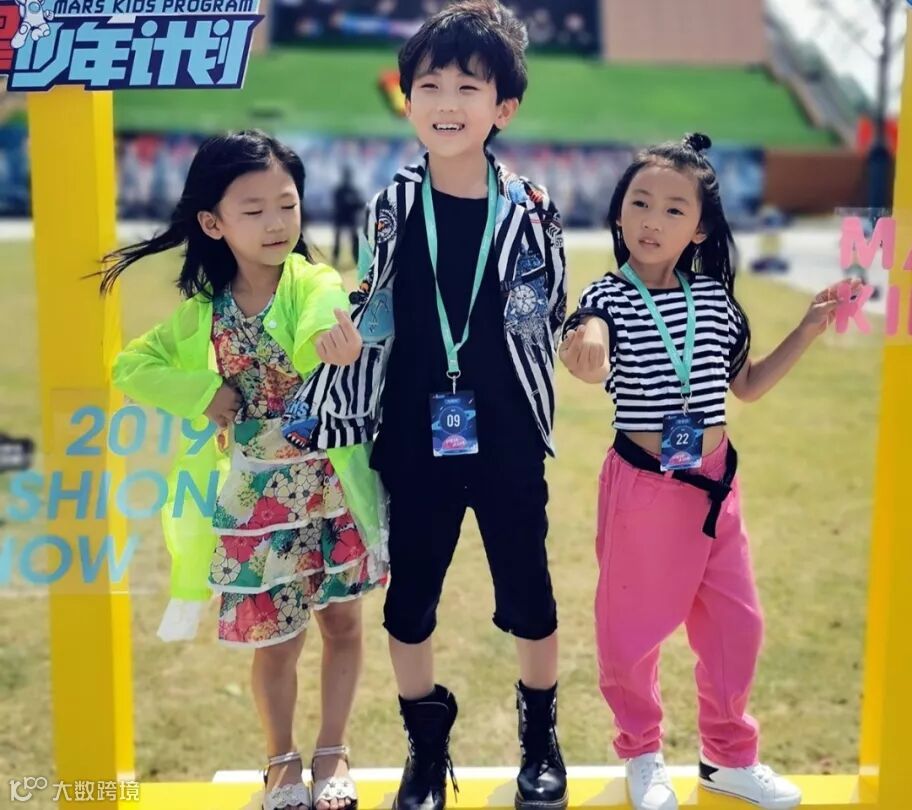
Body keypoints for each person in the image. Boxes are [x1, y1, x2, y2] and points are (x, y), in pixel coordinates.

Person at [283, 4, 569, 810]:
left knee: (531, 594)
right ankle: (425, 746)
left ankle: (540, 740)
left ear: (503, 109)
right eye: (430, 85)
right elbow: (377, 304)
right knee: (409, 604)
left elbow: (550, 309)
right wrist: (344, 331)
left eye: (468, 87)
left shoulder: (532, 205)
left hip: (507, 434)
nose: (447, 101)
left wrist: (580, 336)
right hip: (414, 433)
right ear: (406, 100)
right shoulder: (392, 204)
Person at [560, 133, 856, 810]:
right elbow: (590, 335)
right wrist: (588, 346)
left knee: (736, 625)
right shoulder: (610, 295)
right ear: (617, 213)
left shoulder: (716, 302)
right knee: (631, 632)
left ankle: (728, 758)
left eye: (673, 209)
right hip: (645, 488)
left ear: (699, 229)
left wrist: (806, 331)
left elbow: (745, 386)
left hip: (717, 486)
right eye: (639, 202)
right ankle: (642, 755)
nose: (652, 220)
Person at [101, 130, 387, 810]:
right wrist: (203, 393)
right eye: (253, 209)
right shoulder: (201, 317)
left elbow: (320, 311)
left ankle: (333, 750)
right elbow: (130, 366)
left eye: (287, 204)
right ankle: (281, 762)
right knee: (276, 641)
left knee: (344, 626)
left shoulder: (313, 281)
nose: (276, 223)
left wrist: (327, 338)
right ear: (213, 223)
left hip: (332, 493)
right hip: (256, 505)